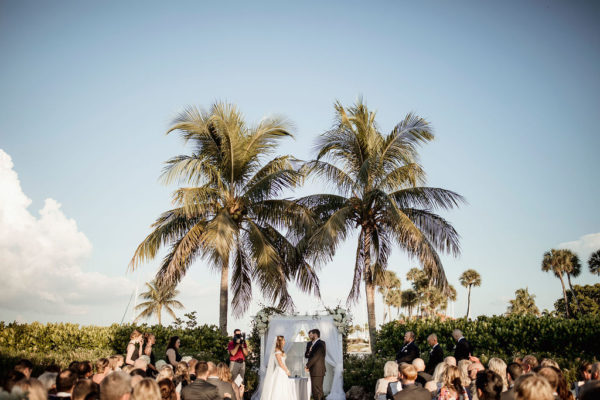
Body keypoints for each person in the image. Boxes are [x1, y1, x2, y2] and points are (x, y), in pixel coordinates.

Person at [261, 335, 297, 400]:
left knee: (284, 387)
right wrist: (287, 371)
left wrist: (286, 370)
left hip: (282, 371)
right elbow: (280, 363)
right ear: (280, 342)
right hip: (280, 371)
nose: (284, 341)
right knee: (279, 387)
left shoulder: (281, 350)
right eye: (283, 340)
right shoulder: (277, 351)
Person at [305, 329, 327, 400]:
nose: (309, 336)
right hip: (314, 370)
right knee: (317, 390)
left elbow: (316, 356)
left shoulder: (321, 343)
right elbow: (306, 355)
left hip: (318, 369)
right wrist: (309, 351)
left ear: (315, 334)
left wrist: (307, 365)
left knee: (316, 390)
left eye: (310, 335)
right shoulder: (309, 343)